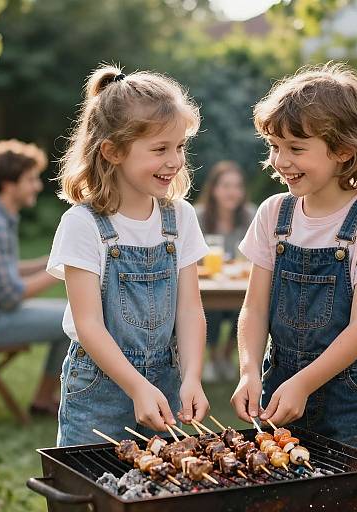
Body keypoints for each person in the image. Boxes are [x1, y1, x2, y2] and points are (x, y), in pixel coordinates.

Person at [231, 63, 357, 458]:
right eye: (275, 146)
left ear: (343, 150)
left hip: (352, 395)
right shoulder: (275, 214)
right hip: (282, 382)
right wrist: (248, 372)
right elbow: (254, 309)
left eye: (296, 148)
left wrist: (304, 383)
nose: (280, 160)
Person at [48, 65, 210, 446]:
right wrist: (136, 386)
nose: (175, 160)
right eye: (160, 149)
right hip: (97, 391)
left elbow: (190, 310)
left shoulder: (180, 218)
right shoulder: (83, 224)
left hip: (164, 384)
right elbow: (89, 326)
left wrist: (191, 377)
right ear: (113, 151)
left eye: (180, 147)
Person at [0, 139, 68, 416]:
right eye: (31, 179)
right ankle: (43, 402)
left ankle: (44, 399)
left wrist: (50, 261)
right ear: (9, 185)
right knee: (75, 318)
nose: (38, 186)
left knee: (73, 314)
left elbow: (3, 269)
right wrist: (62, 270)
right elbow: (10, 296)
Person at [195, 161, 256, 382]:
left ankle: (226, 354)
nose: (233, 192)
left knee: (243, 307)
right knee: (211, 310)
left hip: (240, 283)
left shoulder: (250, 215)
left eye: (237, 186)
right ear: (213, 189)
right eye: (226, 185)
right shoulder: (199, 216)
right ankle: (212, 358)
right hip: (208, 283)